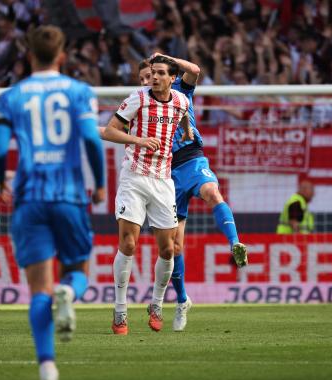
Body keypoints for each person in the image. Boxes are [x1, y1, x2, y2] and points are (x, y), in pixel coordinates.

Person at [0, 25, 105, 380]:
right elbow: (90, 138)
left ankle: (47, 370)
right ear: (62, 56)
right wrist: (100, 183)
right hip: (69, 196)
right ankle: (69, 294)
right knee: (77, 272)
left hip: (30, 198)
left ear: (27, 56)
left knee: (38, 288)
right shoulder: (79, 92)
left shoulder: (11, 96)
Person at [138, 54, 248, 332]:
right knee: (174, 248)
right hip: (164, 173)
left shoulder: (180, 93)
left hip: (191, 159)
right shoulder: (141, 105)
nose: (151, 80)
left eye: (155, 74)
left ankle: (235, 243)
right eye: (145, 77)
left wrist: (165, 57)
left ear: (167, 75)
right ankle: (183, 300)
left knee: (212, 191)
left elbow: (195, 70)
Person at [101, 55, 192, 336]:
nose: (154, 77)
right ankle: (120, 312)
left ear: (173, 78)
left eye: (161, 73)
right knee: (128, 244)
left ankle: (156, 304)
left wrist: (187, 131)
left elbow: (183, 118)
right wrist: (138, 140)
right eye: (152, 73)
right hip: (134, 179)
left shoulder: (180, 101)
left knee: (169, 250)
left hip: (163, 183)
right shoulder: (137, 98)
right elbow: (108, 131)